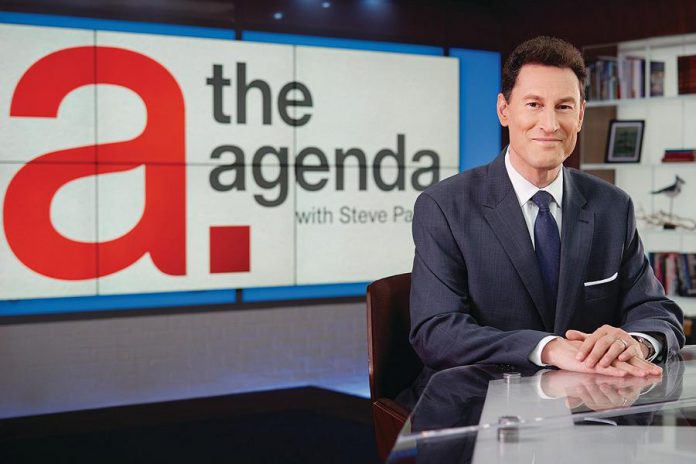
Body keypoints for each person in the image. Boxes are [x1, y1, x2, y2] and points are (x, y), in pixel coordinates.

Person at [409, 36, 685, 377]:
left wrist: (635, 342)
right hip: (480, 405)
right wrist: (548, 348)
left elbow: (657, 310)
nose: (550, 124)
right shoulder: (444, 207)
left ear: (581, 115)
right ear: (504, 110)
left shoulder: (613, 206)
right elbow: (435, 332)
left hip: (591, 409)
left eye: (564, 107)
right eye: (534, 104)